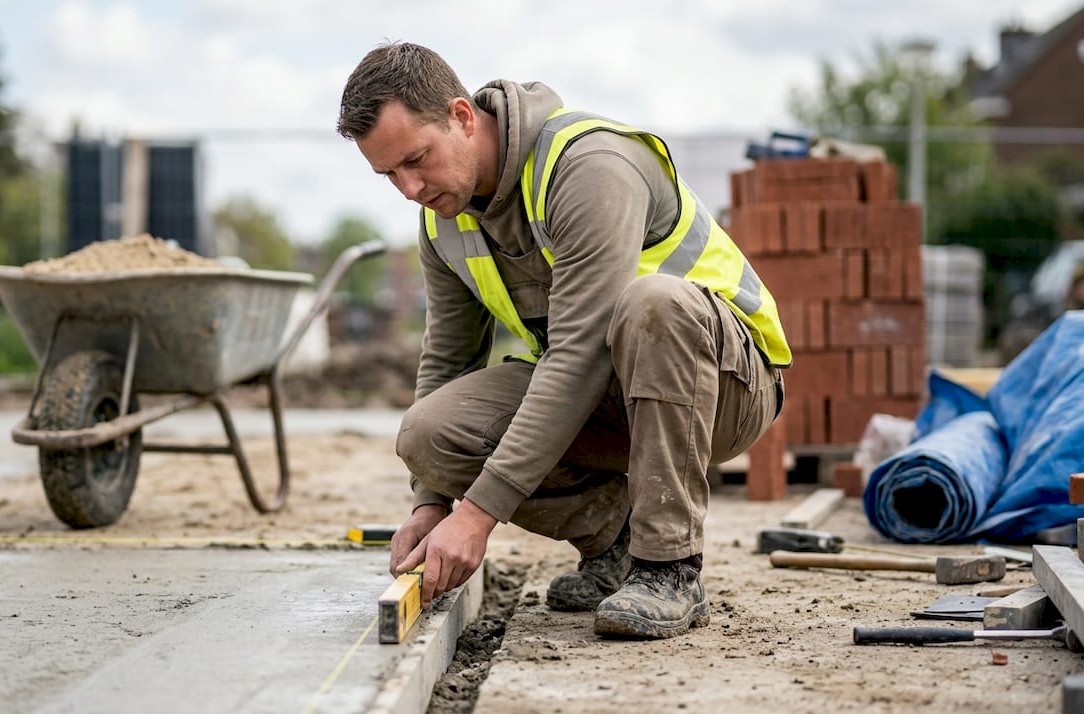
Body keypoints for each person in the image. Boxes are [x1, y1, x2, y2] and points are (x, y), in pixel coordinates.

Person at [336, 42, 790, 640]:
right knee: (427, 432)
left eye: (417, 159)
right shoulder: (444, 218)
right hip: (610, 395)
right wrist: (431, 503)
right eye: (389, 173)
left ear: (462, 116)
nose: (410, 188)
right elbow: (447, 359)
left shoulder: (588, 167)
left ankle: (669, 566)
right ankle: (618, 545)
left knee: (652, 302)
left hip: (725, 386)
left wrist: (477, 514)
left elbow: (577, 354)